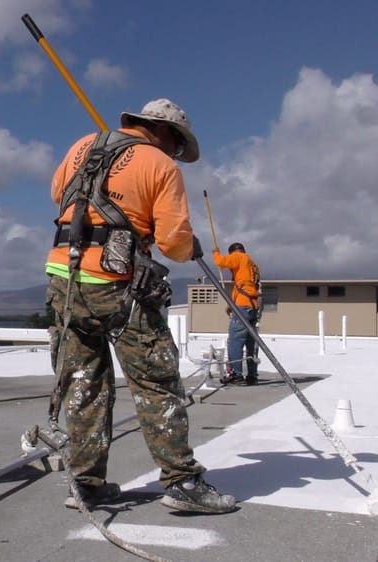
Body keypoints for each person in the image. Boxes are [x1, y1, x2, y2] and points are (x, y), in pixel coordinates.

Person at [44, 99, 236, 514]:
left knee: (84, 383)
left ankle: (86, 485)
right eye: (177, 145)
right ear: (165, 132)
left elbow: (59, 194)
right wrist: (187, 245)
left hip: (65, 279)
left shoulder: (82, 145)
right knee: (156, 381)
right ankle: (182, 482)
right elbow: (173, 242)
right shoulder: (160, 165)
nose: (176, 155)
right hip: (118, 285)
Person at [212, 242, 261, 386]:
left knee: (235, 340)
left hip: (243, 306)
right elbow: (243, 287)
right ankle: (252, 375)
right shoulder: (252, 265)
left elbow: (221, 262)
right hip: (252, 305)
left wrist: (215, 253)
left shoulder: (238, 257)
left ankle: (236, 374)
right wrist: (231, 305)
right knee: (251, 342)